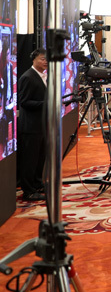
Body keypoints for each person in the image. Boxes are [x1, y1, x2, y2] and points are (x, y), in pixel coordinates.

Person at [16, 49, 48, 201]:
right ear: (34, 59)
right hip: (30, 126)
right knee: (30, 159)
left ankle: (37, 183)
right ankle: (28, 190)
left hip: (41, 124)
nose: (45, 62)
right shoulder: (28, 77)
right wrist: (46, 104)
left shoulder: (43, 75)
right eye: (42, 59)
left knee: (40, 157)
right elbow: (24, 102)